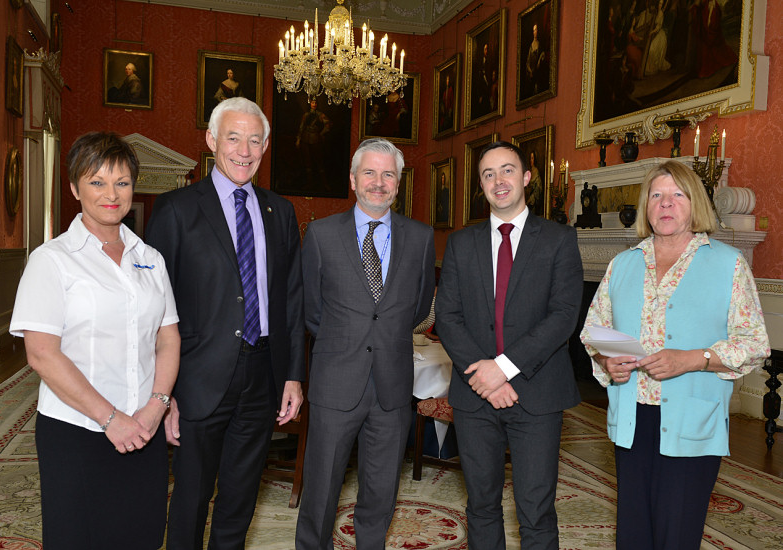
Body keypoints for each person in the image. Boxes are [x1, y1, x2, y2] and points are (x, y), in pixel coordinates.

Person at [580, 160, 769, 549]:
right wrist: (606, 360)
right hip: (631, 419)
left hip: (691, 421)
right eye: (656, 195)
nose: (666, 204)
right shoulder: (623, 264)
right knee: (633, 531)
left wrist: (693, 359)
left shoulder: (728, 264)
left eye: (676, 195)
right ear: (647, 207)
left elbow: (754, 345)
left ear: (694, 202)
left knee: (676, 533)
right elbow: (594, 331)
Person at [146, 97, 305, 549]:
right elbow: (157, 308)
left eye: (255, 140)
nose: (244, 150)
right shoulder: (176, 209)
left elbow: (291, 299)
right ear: (212, 140)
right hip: (198, 376)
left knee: (240, 496)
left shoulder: (281, 211)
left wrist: (293, 375)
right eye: (233, 138)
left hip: (263, 375)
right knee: (191, 496)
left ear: (266, 146)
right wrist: (166, 391)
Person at [9, 132, 180, 549]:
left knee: (141, 535)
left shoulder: (151, 259)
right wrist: (110, 419)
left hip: (143, 428)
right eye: (97, 181)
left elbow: (168, 338)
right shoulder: (51, 261)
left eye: (121, 182)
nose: (111, 193)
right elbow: (42, 354)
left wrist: (157, 404)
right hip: (77, 431)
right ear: (74, 188)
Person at [435, 141, 583, 550]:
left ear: (526, 178)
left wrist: (505, 367)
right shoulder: (461, 244)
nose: (499, 181)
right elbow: (448, 317)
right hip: (474, 395)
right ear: (480, 185)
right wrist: (486, 377)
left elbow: (563, 316)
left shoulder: (558, 240)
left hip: (538, 394)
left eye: (507, 170)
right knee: (481, 505)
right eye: (488, 174)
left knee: (536, 509)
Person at [295, 138, 436, 550]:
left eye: (388, 174)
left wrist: (383, 337)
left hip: (392, 385)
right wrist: (349, 341)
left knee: (381, 491)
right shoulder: (321, 235)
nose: (379, 182)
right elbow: (311, 310)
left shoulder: (422, 237)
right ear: (353, 180)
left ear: (398, 183)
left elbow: (418, 305)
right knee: (320, 490)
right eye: (370, 173)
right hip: (336, 382)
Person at [296, 98, 331, 186]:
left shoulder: (320, 115)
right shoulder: (306, 115)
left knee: (319, 160)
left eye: (315, 102)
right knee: (307, 161)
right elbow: (301, 127)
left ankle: (323, 183)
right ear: (310, 104)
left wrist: (321, 133)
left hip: (315, 138)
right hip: (305, 139)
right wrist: (298, 139)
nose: (314, 104)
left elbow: (328, 124)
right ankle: (309, 183)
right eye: (312, 102)